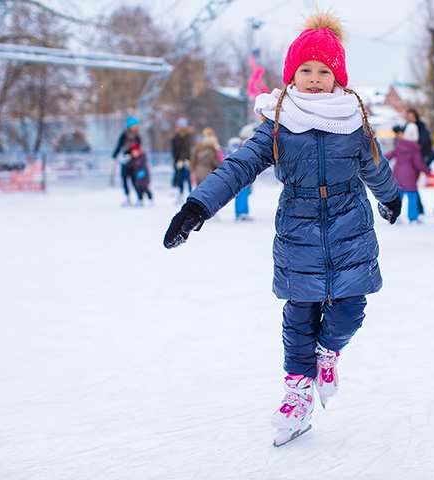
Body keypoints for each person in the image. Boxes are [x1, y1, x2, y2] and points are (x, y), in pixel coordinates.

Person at [162, 12, 401, 447]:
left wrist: (391, 197)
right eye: (305, 70)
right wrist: (198, 205)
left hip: (351, 229)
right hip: (299, 231)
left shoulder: (354, 122)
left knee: (350, 308)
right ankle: (297, 393)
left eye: (323, 71)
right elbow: (238, 167)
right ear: (292, 75)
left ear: (338, 77)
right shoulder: (278, 123)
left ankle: (328, 354)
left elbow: (377, 169)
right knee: (299, 315)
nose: (313, 79)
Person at [386, 125, 429, 223]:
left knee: (398, 197)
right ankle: (413, 217)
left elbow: (390, 155)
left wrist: (378, 159)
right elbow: (418, 164)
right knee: (412, 196)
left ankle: (394, 216)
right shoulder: (414, 147)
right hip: (410, 176)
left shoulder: (400, 145)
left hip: (398, 174)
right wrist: (426, 170)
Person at [112, 116, 142, 206]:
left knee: (135, 181)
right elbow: (119, 146)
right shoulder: (124, 135)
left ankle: (139, 198)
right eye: (134, 125)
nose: (136, 127)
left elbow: (139, 149)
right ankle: (127, 197)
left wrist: (135, 154)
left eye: (136, 125)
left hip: (134, 161)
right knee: (124, 179)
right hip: (125, 160)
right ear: (130, 126)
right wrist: (114, 155)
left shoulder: (137, 136)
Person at [171, 118, 195, 201]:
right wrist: (176, 161)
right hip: (178, 160)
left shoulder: (189, 136)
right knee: (180, 177)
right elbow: (174, 150)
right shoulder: (175, 137)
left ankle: (190, 193)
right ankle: (180, 193)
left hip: (187, 160)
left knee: (188, 177)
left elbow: (188, 149)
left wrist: (185, 159)